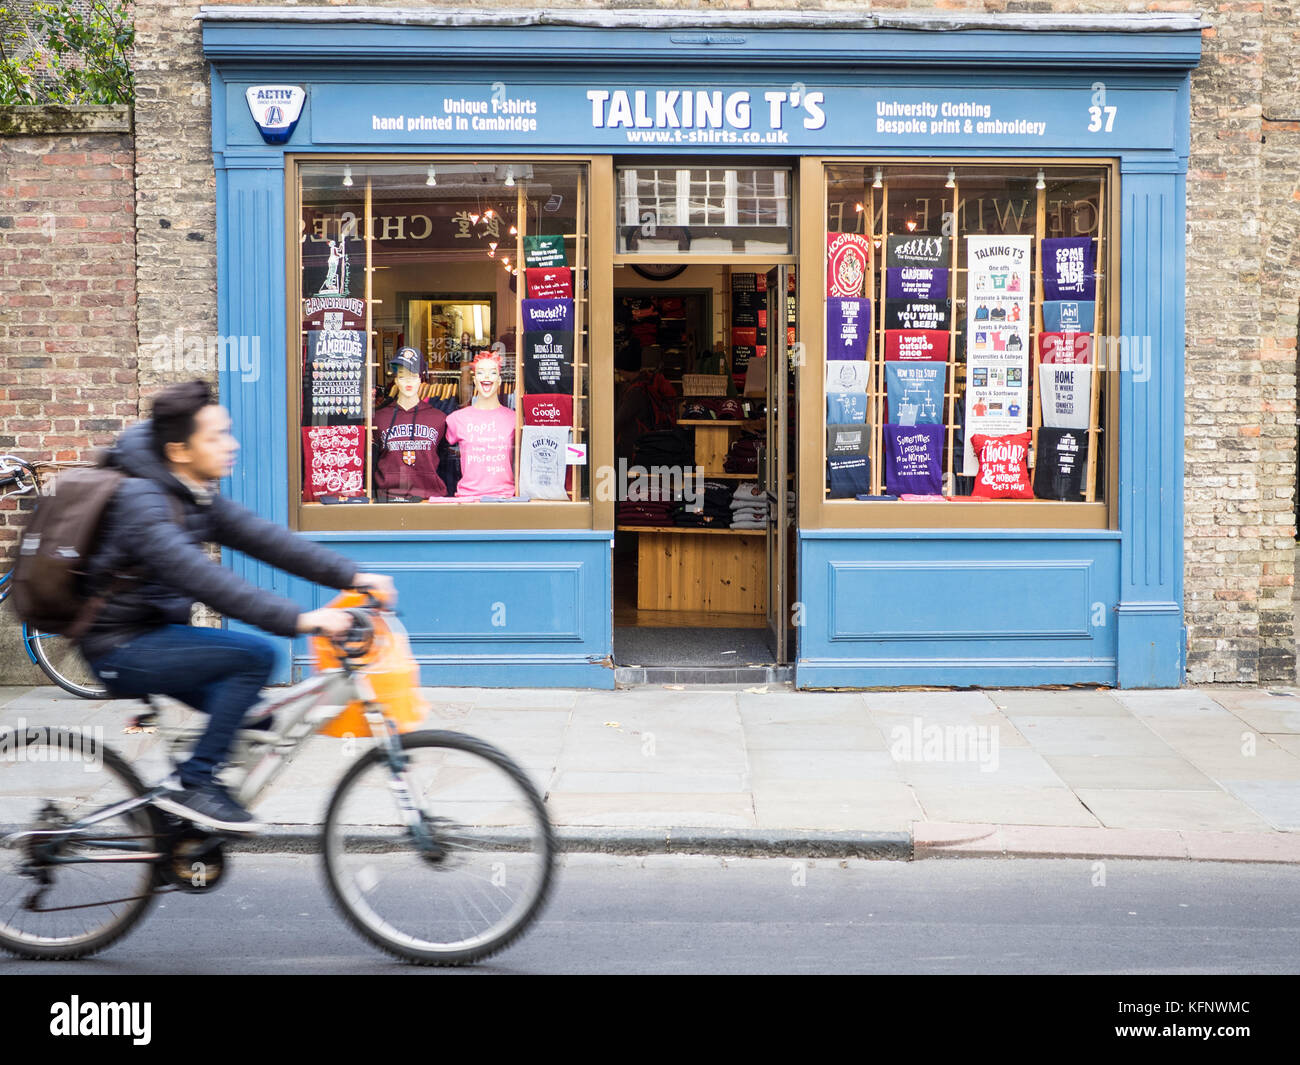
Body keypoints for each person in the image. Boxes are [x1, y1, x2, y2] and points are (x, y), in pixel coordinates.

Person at [79, 380, 395, 834]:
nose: (233, 444)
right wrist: (302, 620)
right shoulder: (143, 502)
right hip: (119, 646)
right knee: (257, 657)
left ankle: (174, 827)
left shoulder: (190, 492)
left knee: (256, 717)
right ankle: (195, 783)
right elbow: (207, 581)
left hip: (152, 633)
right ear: (180, 450)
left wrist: (353, 576)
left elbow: (269, 541)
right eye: (216, 437)